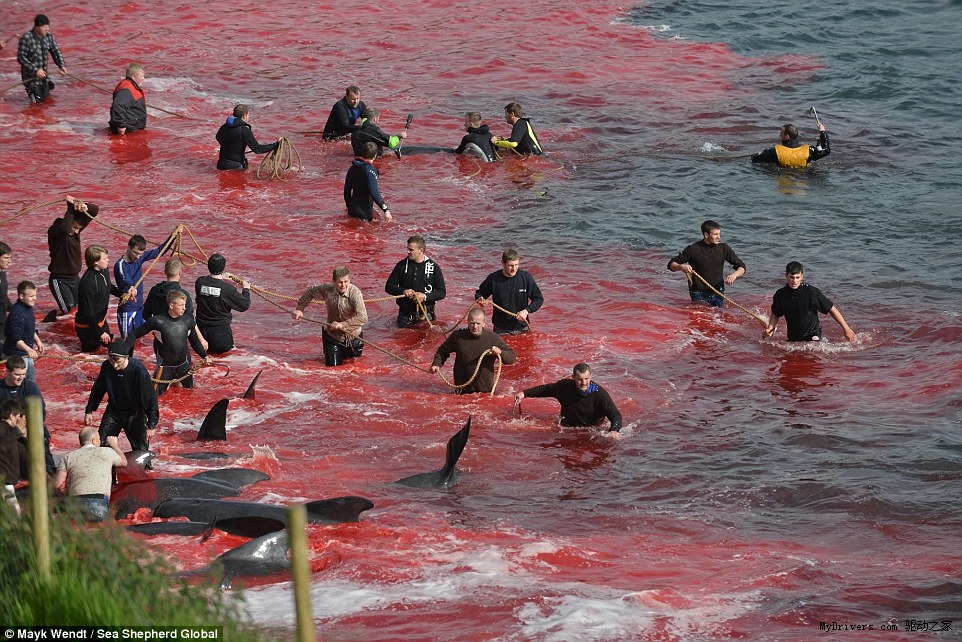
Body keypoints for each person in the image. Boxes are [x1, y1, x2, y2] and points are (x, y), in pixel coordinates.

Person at [84, 339, 159, 455]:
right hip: (114, 412)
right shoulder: (107, 366)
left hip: (134, 414)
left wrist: (151, 425)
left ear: (126, 357)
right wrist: (89, 410)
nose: (114, 365)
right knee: (101, 445)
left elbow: (151, 398)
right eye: (111, 360)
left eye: (118, 361)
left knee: (141, 452)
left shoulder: (139, 370)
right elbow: (98, 388)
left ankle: (145, 470)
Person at [133, 290, 209, 394]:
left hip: (183, 366)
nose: (184, 308)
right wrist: (125, 355)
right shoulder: (157, 322)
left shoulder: (187, 321)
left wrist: (204, 356)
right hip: (165, 367)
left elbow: (195, 342)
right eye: (181, 305)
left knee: (191, 393)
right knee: (156, 397)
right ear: (171, 305)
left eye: (185, 305)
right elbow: (134, 334)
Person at [292, 266, 368, 367]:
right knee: (332, 371)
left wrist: (343, 325)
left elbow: (363, 317)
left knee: (353, 370)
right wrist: (300, 309)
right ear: (333, 281)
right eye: (340, 282)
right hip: (333, 337)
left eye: (346, 281)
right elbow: (310, 291)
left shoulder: (355, 293)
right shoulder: (327, 289)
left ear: (349, 280)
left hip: (353, 338)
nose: (343, 285)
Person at [763, 261, 856, 343]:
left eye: (797, 277)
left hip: (813, 335)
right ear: (786, 276)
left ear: (802, 276)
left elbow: (832, 309)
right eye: (791, 277)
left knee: (814, 350)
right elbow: (775, 314)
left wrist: (846, 328)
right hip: (793, 337)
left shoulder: (812, 292)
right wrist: (769, 329)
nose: (794, 281)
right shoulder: (780, 295)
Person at [514, 363, 623, 432]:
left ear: (591, 377)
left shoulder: (599, 393)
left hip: (591, 429)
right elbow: (546, 389)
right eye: (580, 379)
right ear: (573, 377)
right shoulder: (565, 386)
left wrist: (614, 430)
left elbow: (615, 415)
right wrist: (524, 393)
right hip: (566, 427)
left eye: (586, 378)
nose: (584, 383)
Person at [430, 307, 516, 394]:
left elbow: (512, 357)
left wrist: (500, 352)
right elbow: (442, 351)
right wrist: (436, 364)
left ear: (484, 323)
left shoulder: (493, 338)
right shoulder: (458, 337)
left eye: (478, 323)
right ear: (467, 322)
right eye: (472, 323)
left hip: (485, 392)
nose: (475, 326)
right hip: (462, 391)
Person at [53, 427, 126, 522]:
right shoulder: (107, 452)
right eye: (99, 439)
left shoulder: (68, 457)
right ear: (94, 441)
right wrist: (114, 445)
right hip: (99, 503)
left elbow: (58, 485)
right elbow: (124, 462)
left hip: (75, 504)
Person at [667, 220, 746, 308]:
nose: (719, 237)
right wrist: (681, 267)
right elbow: (671, 264)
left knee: (716, 318)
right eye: (715, 234)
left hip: (718, 292)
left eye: (719, 234)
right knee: (700, 317)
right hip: (698, 293)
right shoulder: (693, 249)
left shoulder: (724, 248)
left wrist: (734, 275)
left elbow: (741, 267)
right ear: (706, 235)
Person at [0, 356, 56, 476]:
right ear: (7, 372)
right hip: (8, 430)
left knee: (46, 461)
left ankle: (50, 476)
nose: (21, 377)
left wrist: (27, 429)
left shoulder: (30, 387)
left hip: (31, 427)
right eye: (17, 374)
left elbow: (40, 411)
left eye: (23, 374)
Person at [76, 246, 134, 353]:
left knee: (108, 351)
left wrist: (122, 294)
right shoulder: (88, 283)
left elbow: (108, 286)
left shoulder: (104, 271)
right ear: (95, 262)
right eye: (105, 258)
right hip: (87, 327)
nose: (108, 260)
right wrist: (100, 332)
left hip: (101, 322)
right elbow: (87, 312)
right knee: (89, 355)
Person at [47, 195, 98, 315]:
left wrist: (84, 206)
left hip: (75, 278)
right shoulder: (55, 232)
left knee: (82, 308)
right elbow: (64, 229)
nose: (76, 231)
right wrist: (70, 208)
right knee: (69, 310)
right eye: (75, 227)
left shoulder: (75, 230)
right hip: (59, 280)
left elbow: (95, 210)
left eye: (78, 229)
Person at [114, 233, 171, 339]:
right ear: (128, 247)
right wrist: (131, 286)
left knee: (144, 337)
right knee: (127, 341)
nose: (137, 256)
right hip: (128, 309)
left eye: (140, 254)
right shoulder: (121, 265)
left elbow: (159, 251)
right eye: (135, 253)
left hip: (140, 308)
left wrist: (173, 237)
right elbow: (125, 278)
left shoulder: (140, 258)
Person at [475, 249, 544, 334]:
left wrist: (526, 311)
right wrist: (480, 300)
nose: (514, 269)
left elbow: (539, 299)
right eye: (511, 265)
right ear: (503, 263)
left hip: (522, 328)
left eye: (516, 265)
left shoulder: (525, 278)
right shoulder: (493, 279)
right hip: (500, 329)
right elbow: (479, 293)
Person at [385, 235, 447, 328]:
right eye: (407, 249)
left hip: (426, 315)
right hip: (405, 316)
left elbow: (441, 292)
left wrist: (425, 296)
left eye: (411, 249)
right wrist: (403, 291)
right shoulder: (401, 265)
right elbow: (389, 286)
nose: (408, 252)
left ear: (421, 250)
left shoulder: (434, 267)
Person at [194, 253, 251, 354]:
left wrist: (221, 277)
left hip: (200, 338)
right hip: (220, 338)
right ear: (223, 268)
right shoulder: (227, 289)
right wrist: (246, 289)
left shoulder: (199, 282)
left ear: (208, 266)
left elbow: (211, 285)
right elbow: (244, 305)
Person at [17, 14, 67, 103]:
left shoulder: (48, 36)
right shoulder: (26, 38)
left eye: (48, 26)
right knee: (36, 104)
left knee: (47, 102)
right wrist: (36, 70)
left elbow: (55, 52)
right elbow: (21, 58)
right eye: (44, 27)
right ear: (36, 27)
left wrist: (61, 65)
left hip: (44, 78)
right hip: (31, 79)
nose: (47, 29)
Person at [215, 104, 279, 170]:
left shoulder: (225, 126)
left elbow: (218, 137)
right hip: (236, 166)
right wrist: (275, 145)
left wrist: (230, 147)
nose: (248, 117)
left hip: (221, 164)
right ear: (244, 115)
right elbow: (257, 149)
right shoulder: (244, 129)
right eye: (248, 115)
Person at [2, 281, 44, 381]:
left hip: (25, 354)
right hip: (16, 357)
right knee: (21, 386)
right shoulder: (17, 313)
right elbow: (16, 339)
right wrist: (29, 349)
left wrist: (37, 341)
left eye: (35, 295)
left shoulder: (28, 307)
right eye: (31, 296)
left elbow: (29, 328)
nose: (34, 298)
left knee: (30, 385)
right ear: (21, 296)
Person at [344, 141, 392, 223]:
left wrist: (349, 206)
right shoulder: (370, 171)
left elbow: (346, 191)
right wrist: (386, 210)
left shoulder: (352, 168)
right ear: (375, 155)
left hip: (352, 210)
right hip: (364, 213)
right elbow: (374, 192)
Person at [751, 122, 830, 168]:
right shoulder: (808, 151)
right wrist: (822, 132)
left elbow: (755, 160)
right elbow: (826, 150)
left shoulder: (775, 151)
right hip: (803, 179)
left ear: (787, 136)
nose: (779, 135)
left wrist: (756, 155)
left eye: (781, 133)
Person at [0, 400, 28, 516]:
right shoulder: (2, 428)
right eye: (18, 417)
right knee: (14, 516)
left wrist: (24, 437)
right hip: (4, 482)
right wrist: (17, 430)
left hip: (7, 482)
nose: (20, 421)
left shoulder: (10, 433)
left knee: (13, 514)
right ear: (11, 416)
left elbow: (24, 454)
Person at [109, 63, 147, 134]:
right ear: (133, 77)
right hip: (127, 130)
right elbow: (118, 106)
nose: (143, 78)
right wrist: (121, 126)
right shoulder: (127, 90)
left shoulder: (128, 85)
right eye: (141, 76)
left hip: (132, 127)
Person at [0, 242, 11, 346]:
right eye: (6, 257)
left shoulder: (2, 273)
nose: (9, 261)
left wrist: (15, 309)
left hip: (3, 318)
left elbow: (3, 297)